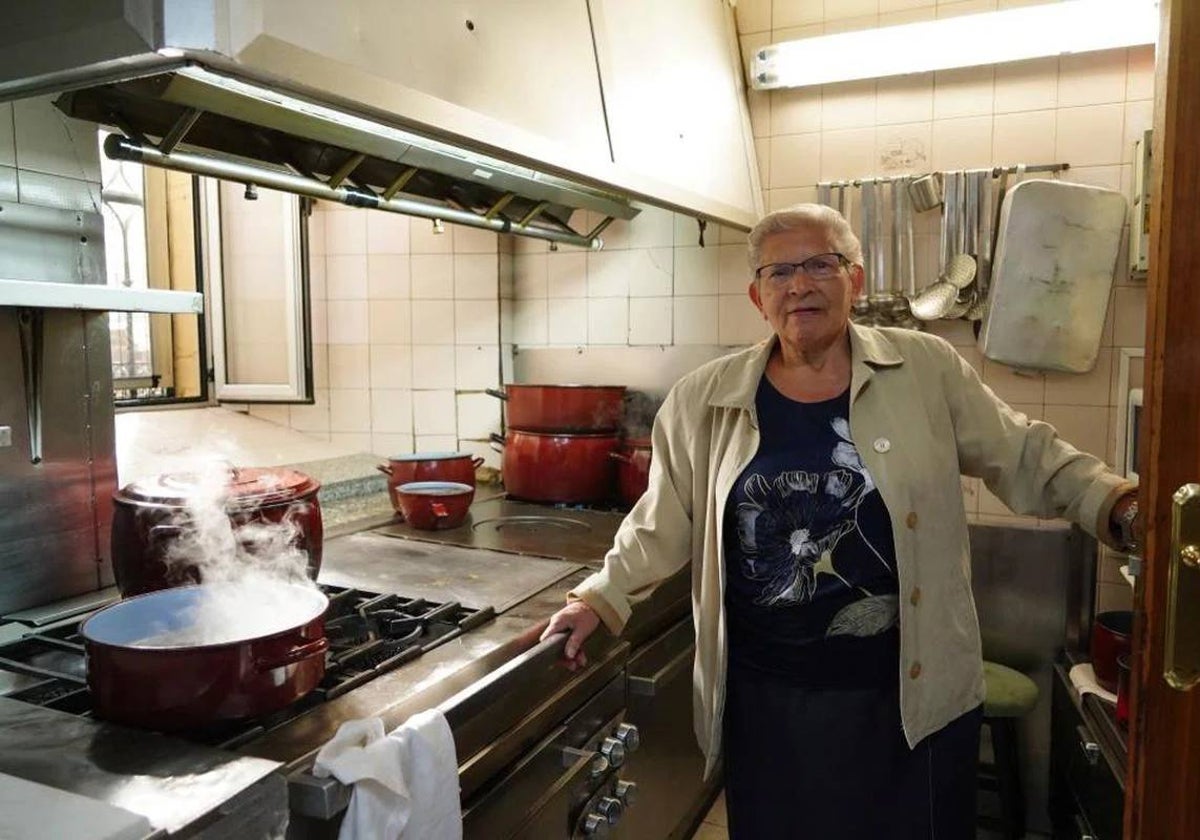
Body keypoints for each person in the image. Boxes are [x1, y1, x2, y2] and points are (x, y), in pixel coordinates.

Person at [541, 203, 1141, 838]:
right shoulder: (704, 399)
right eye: (780, 272)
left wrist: (1118, 505)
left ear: (854, 280)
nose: (800, 284)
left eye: (820, 264)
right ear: (757, 296)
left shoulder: (925, 369)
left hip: (911, 701)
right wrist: (598, 596)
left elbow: (1027, 454)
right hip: (768, 705)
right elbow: (662, 521)